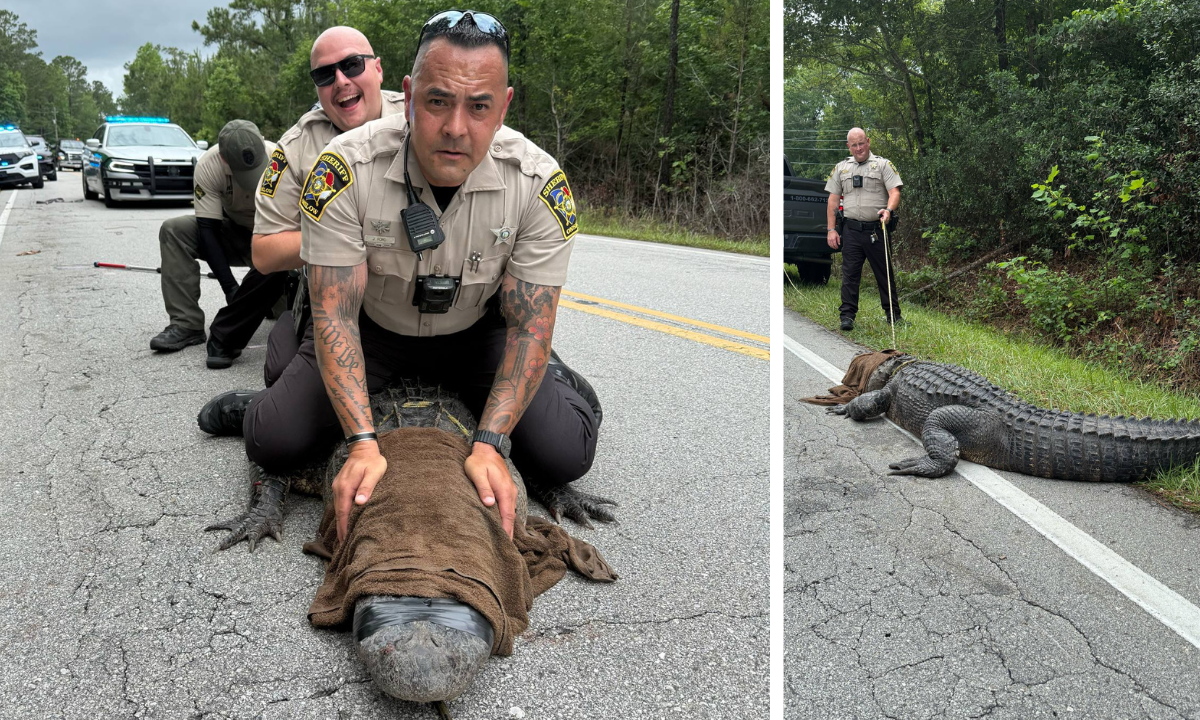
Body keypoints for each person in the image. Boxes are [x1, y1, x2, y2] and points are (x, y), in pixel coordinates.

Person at [151, 120, 280, 363]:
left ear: (263, 144)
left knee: (287, 316)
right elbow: (207, 231)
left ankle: (275, 303)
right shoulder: (209, 165)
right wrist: (231, 289)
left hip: (274, 238)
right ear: (223, 159)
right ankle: (186, 324)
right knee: (175, 230)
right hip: (234, 234)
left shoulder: (283, 158)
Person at [824, 127, 903, 331]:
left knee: (884, 274)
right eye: (854, 145)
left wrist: (889, 210)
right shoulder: (841, 169)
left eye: (861, 143)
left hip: (877, 230)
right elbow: (832, 200)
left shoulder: (883, 165)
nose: (858, 148)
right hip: (851, 230)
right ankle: (847, 317)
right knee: (850, 274)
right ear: (848, 146)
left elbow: (894, 192)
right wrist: (831, 230)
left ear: (868, 142)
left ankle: (893, 316)